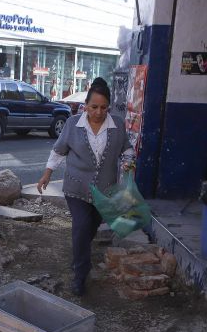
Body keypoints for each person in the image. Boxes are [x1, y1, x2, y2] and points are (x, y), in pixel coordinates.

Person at [36, 77, 135, 296]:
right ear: (85, 106)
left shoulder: (117, 125)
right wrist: (46, 175)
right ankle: (80, 275)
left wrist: (129, 162)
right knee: (81, 227)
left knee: (91, 226)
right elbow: (59, 151)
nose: (99, 112)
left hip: (104, 190)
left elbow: (127, 149)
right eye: (94, 107)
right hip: (76, 188)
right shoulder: (73, 124)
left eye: (103, 107)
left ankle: (80, 255)